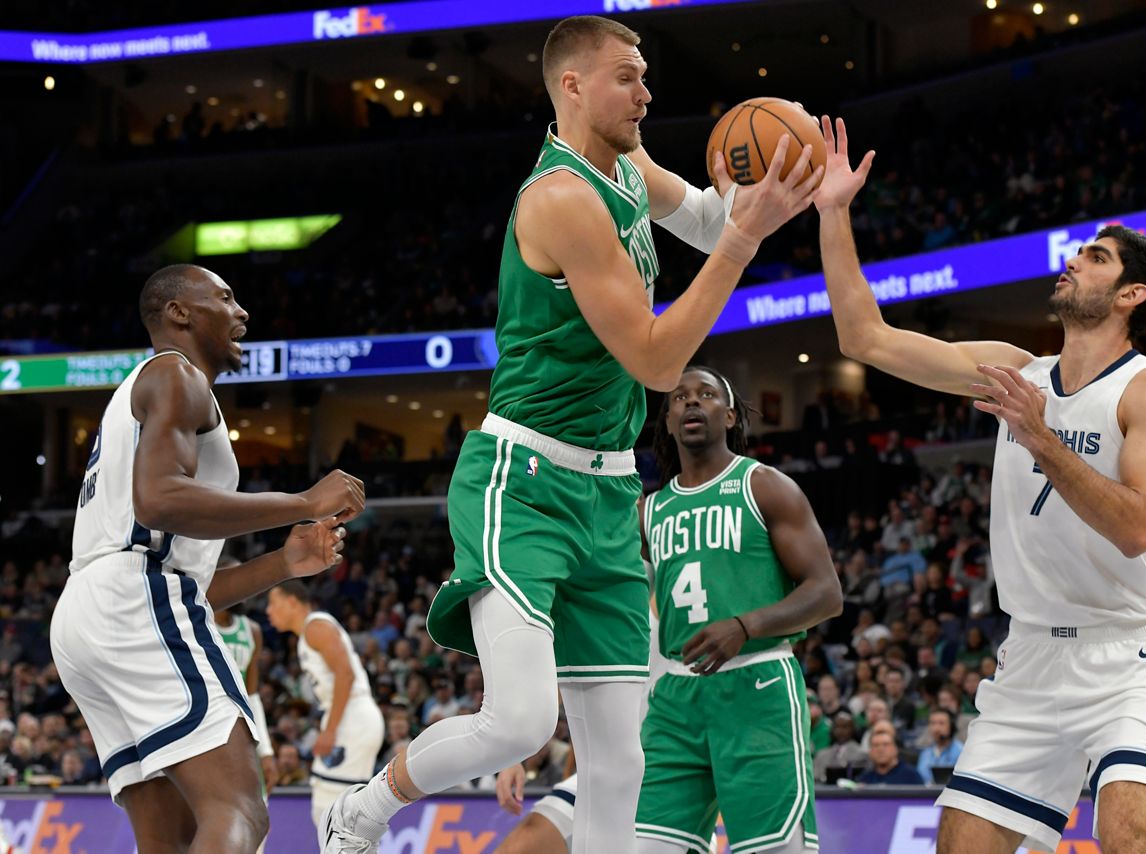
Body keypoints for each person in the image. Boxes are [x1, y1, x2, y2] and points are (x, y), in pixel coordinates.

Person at [320, 17, 823, 854]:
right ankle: (365, 808)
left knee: (621, 761)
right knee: (519, 721)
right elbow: (659, 361)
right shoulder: (559, 198)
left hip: (610, 487)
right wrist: (745, 235)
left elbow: (705, 218)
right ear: (572, 86)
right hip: (522, 481)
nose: (646, 90)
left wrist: (788, 166)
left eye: (646, 74)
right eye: (627, 75)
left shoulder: (627, 167)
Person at [814, 116, 1146, 853]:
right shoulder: (1018, 371)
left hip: (1124, 656)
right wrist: (832, 212)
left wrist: (1040, 436)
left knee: (1132, 839)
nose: (1075, 260)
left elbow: (1137, 526)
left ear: (1131, 295)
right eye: (1079, 251)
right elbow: (866, 338)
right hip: (1029, 659)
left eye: (1096, 256)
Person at [49, 264, 362, 853]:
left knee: (171, 837)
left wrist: (283, 563)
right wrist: (302, 500)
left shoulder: (139, 391)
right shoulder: (177, 374)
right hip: (133, 597)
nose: (241, 312)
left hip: (94, 610)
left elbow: (189, 587)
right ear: (179, 313)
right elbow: (161, 501)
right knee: (241, 806)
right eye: (225, 297)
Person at [494, 367, 841, 853]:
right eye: (680, 398)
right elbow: (586, 607)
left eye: (706, 395)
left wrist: (747, 625)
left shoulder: (764, 486)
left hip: (756, 683)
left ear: (731, 414)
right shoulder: (648, 511)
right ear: (669, 421)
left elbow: (827, 592)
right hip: (675, 699)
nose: (692, 403)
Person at [266, 581, 385, 831]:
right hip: (349, 716)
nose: (267, 610)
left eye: (272, 603)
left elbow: (345, 674)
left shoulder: (316, 627)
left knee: (333, 812)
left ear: (292, 602)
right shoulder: (308, 634)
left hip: (352, 718)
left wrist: (330, 730)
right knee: (340, 813)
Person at [213, 580, 277, 853]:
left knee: (255, 810)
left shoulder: (251, 630)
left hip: (241, 729)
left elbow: (252, 695)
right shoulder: (192, 622)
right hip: (206, 726)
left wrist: (266, 751)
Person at [856, 724, 924, 785]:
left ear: (895, 749)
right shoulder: (864, 780)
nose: (880, 750)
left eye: (885, 745)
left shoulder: (912, 777)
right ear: (870, 752)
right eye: (876, 745)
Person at [917, 708, 965, 785]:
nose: (936, 728)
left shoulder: (962, 752)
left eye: (941, 723)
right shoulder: (925, 754)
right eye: (933, 723)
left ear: (951, 726)